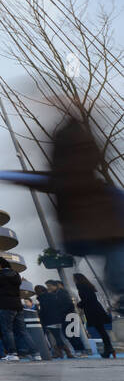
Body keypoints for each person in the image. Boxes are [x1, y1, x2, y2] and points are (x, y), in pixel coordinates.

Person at [49, 113, 124, 294]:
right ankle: (119, 287)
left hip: (87, 234)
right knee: (115, 253)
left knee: (115, 255)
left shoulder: (66, 181)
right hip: (92, 234)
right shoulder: (83, 183)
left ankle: (119, 288)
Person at [0, 257, 37, 361]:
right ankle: (35, 354)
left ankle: (12, 353)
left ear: (0, 266)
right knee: (23, 331)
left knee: (7, 331)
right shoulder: (15, 275)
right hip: (18, 305)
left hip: (5, 306)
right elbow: (3, 283)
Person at [73, 272, 116, 358]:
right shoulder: (87, 286)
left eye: (74, 278)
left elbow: (87, 299)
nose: (73, 280)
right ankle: (108, 348)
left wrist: (79, 304)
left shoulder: (81, 287)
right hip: (96, 309)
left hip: (92, 311)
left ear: (77, 279)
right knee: (101, 330)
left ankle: (109, 348)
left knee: (101, 330)